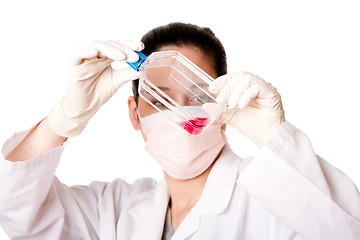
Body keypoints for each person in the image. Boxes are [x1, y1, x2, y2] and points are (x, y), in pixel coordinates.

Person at [0, 22, 359, 240]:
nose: (177, 115)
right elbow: (16, 209)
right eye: (160, 99)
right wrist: (63, 119)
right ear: (134, 115)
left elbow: (348, 229)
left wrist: (273, 137)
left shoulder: (279, 194)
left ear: (226, 107)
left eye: (199, 97)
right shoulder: (114, 210)